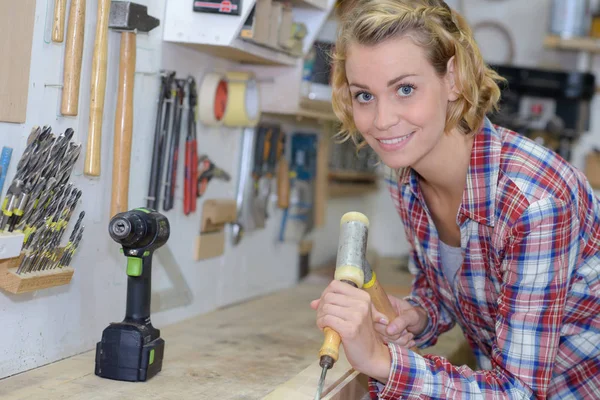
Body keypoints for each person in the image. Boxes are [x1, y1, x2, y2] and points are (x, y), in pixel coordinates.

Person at [310, 0, 600, 398]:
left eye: (405, 89)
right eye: (364, 95)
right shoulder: (405, 178)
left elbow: (519, 392)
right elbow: (452, 289)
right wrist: (416, 316)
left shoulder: (533, 203)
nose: (381, 120)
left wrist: (381, 361)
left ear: (452, 79)